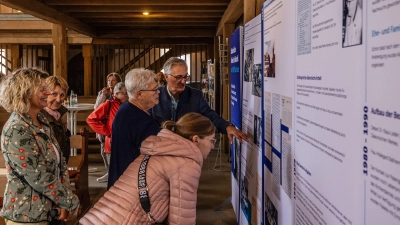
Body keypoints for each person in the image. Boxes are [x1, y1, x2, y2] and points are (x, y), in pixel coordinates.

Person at [79, 113, 216, 225]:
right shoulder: (186, 164)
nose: (213, 146)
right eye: (212, 141)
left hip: (99, 218)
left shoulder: (160, 148)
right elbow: (182, 220)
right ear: (196, 139)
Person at [0, 68, 79, 224]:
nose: (48, 93)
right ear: (25, 91)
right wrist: (70, 201)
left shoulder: (41, 120)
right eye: (42, 89)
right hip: (27, 214)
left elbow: (60, 162)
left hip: (50, 209)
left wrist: (63, 199)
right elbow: (38, 177)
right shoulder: (17, 128)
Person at [151, 57, 248, 143]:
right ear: (166, 77)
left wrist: (227, 127)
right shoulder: (154, 95)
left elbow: (210, 115)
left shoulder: (195, 95)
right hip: (161, 149)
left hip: (188, 151)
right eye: (178, 77)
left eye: (185, 76)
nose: (183, 81)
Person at [107, 68, 161, 189]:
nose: (158, 92)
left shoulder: (125, 109)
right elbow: (153, 160)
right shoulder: (141, 121)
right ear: (139, 94)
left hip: (121, 180)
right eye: (154, 89)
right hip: (133, 185)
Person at [86, 82, 128, 183]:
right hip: (113, 145)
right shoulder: (109, 104)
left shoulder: (130, 105)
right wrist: (107, 132)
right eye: (125, 93)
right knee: (115, 177)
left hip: (127, 145)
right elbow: (91, 119)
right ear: (117, 94)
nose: (128, 96)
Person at [94, 72, 122, 182]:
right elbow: (96, 108)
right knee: (103, 151)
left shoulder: (121, 93)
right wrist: (103, 95)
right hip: (103, 124)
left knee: (112, 152)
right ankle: (109, 172)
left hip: (113, 125)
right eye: (109, 80)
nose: (110, 82)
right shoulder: (104, 93)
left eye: (113, 80)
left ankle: (115, 173)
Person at [41, 75, 71, 163]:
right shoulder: (40, 117)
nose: (58, 99)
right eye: (54, 94)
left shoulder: (57, 116)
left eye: (62, 95)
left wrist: (64, 130)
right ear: (45, 93)